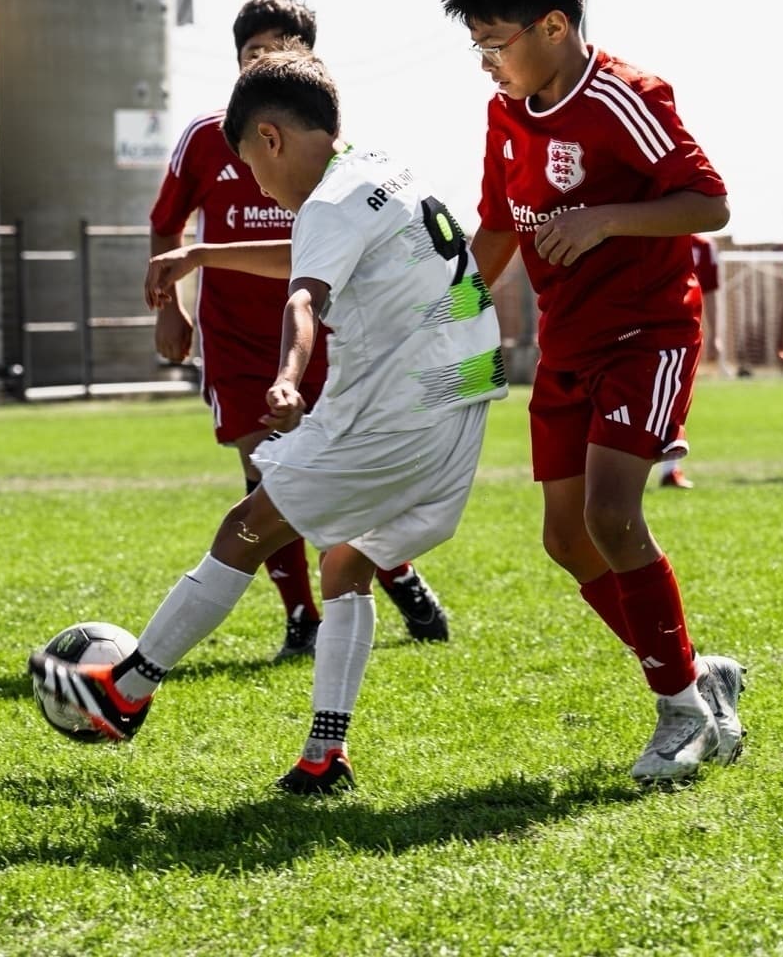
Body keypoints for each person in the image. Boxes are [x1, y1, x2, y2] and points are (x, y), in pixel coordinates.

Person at [31, 49, 507, 793]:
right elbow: (315, 253)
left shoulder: (327, 203)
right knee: (345, 562)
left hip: (395, 411)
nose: (257, 184)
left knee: (246, 527)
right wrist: (201, 254)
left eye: (252, 166)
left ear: (271, 138)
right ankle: (324, 756)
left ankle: (124, 691)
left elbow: (304, 298)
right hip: (464, 398)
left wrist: (286, 377)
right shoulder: (378, 171)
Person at [441, 0, 745, 783]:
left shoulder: (626, 96)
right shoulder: (505, 114)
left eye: (494, 44)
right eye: (477, 48)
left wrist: (606, 217)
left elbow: (710, 202)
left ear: (553, 25)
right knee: (568, 539)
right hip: (566, 343)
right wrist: (441, 316)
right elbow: (497, 228)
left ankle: (682, 715)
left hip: (647, 334)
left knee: (613, 518)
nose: (487, 64)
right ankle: (695, 675)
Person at [148, 0, 449, 661]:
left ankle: (395, 572)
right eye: (251, 53)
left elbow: (325, 260)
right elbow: (165, 221)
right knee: (267, 473)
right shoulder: (206, 138)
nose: (262, 63)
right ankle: (301, 617)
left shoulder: (331, 154)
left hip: (325, 338)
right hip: (236, 340)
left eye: (278, 51)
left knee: (335, 473)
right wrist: (172, 306)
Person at [658, 234, 720, 489]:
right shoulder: (645, 230)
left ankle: (669, 469)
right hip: (640, 329)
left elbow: (710, 292)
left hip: (683, 333)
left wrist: (714, 335)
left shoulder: (704, 247)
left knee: (676, 400)